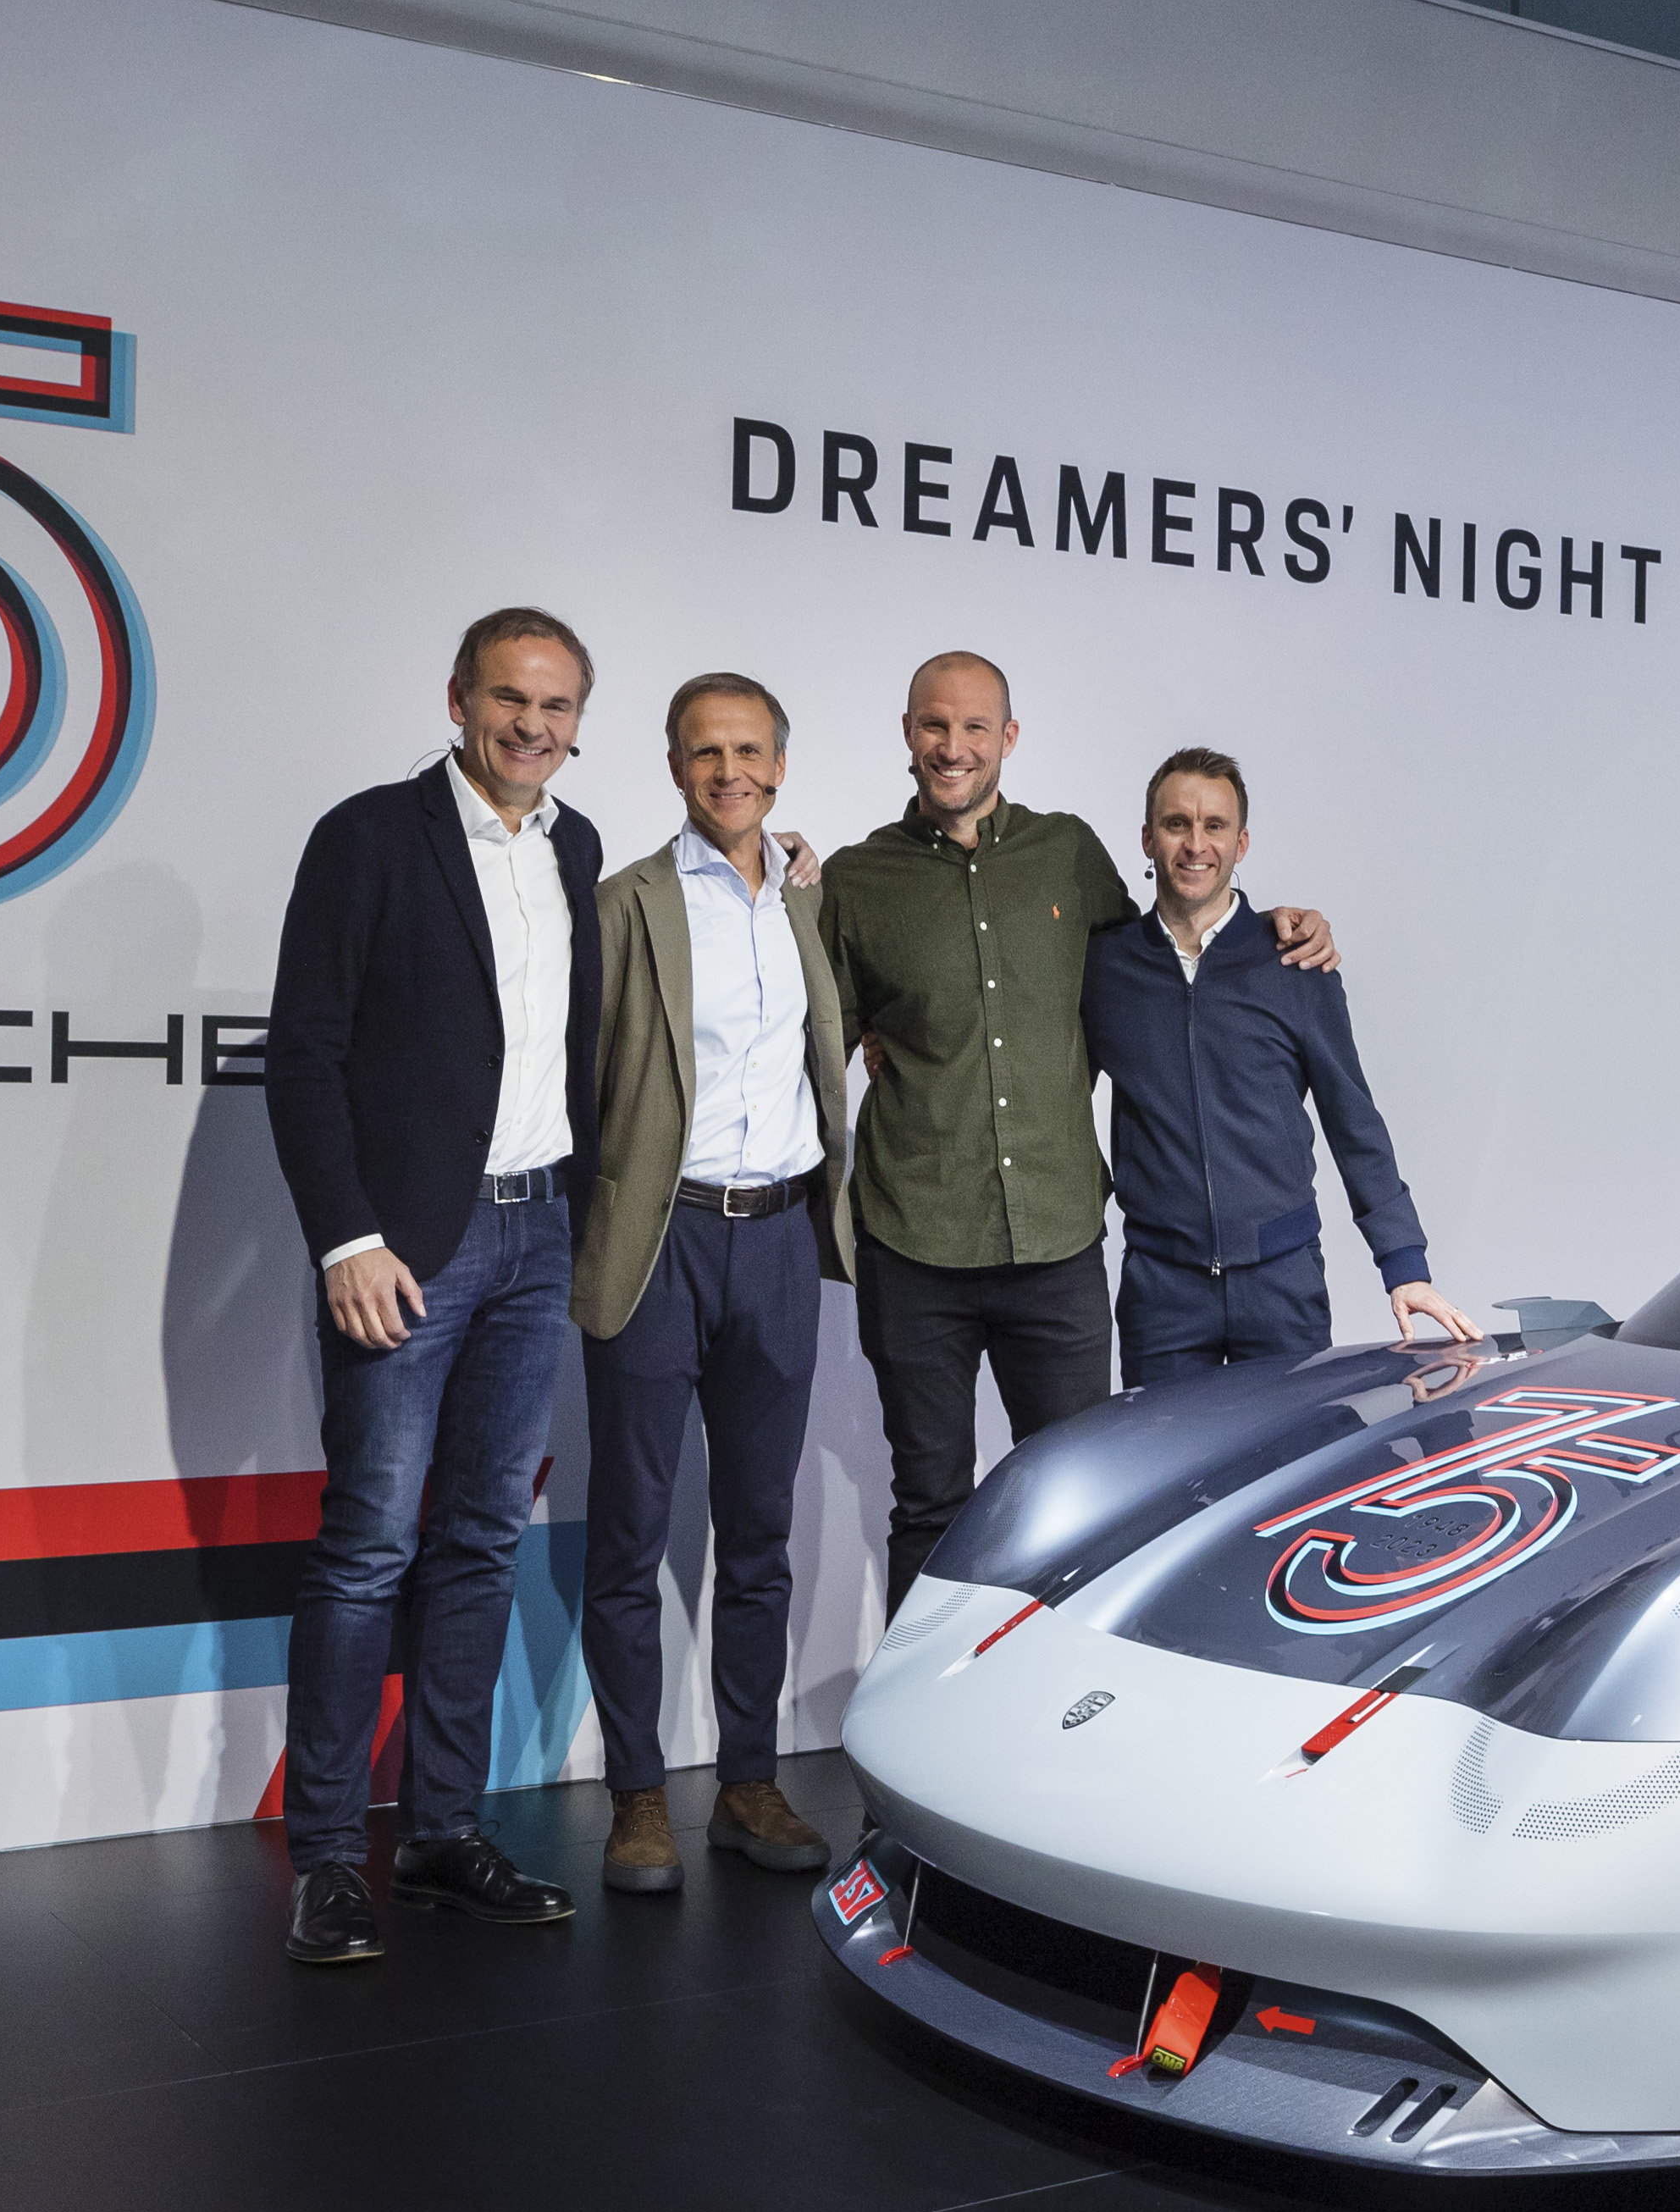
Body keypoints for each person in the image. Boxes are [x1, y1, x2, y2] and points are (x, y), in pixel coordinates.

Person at [816, 651, 1335, 1601]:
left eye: (976, 726)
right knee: (929, 1504)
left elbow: (1161, 959)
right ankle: (922, 1699)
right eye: (935, 725)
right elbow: (816, 1043)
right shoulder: (857, 879)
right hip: (914, 1244)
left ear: (1008, 738)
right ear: (908, 733)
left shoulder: (1067, 855)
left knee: (1077, 1500)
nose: (954, 746)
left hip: (1054, 1247)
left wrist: (1275, 927)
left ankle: (1052, 1692)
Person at [262, 607, 607, 1964]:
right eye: (511, 698)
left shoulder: (577, 846)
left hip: (538, 1234)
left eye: (557, 706)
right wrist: (345, 1237)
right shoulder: (368, 837)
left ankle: (444, 1832)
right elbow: (304, 1052)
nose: (532, 725)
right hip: (410, 1248)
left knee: (479, 1544)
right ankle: (328, 1857)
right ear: (459, 697)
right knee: (367, 1549)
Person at [572, 673, 853, 1899]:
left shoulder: (813, 897)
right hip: (659, 1240)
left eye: (747, 751)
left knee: (759, 1531)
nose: (728, 771)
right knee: (630, 1530)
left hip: (781, 1240)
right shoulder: (626, 901)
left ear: (779, 766)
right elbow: (578, 1079)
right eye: (704, 752)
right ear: (674, 767)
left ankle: (747, 1779)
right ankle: (637, 1795)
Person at [1081, 749, 1477, 1382]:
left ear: (1240, 844)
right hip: (1162, 1296)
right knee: (1167, 1453)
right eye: (1177, 824)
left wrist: (1404, 1265)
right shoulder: (1105, 969)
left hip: (1282, 1288)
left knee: (1296, 1449)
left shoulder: (1294, 964)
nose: (1196, 844)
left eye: (1215, 826)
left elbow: (1353, 1120)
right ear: (1148, 839)